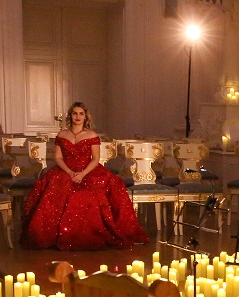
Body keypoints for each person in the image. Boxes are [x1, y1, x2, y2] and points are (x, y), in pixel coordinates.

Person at [21, 102, 148, 251]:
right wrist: (69, 173)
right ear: (70, 115)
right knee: (53, 187)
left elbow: (95, 159)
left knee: (92, 192)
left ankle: (92, 233)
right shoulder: (62, 135)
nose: (78, 116)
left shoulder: (91, 135)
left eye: (81, 114)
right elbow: (58, 158)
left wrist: (82, 174)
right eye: (75, 113)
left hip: (88, 170)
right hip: (66, 170)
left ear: (85, 116)